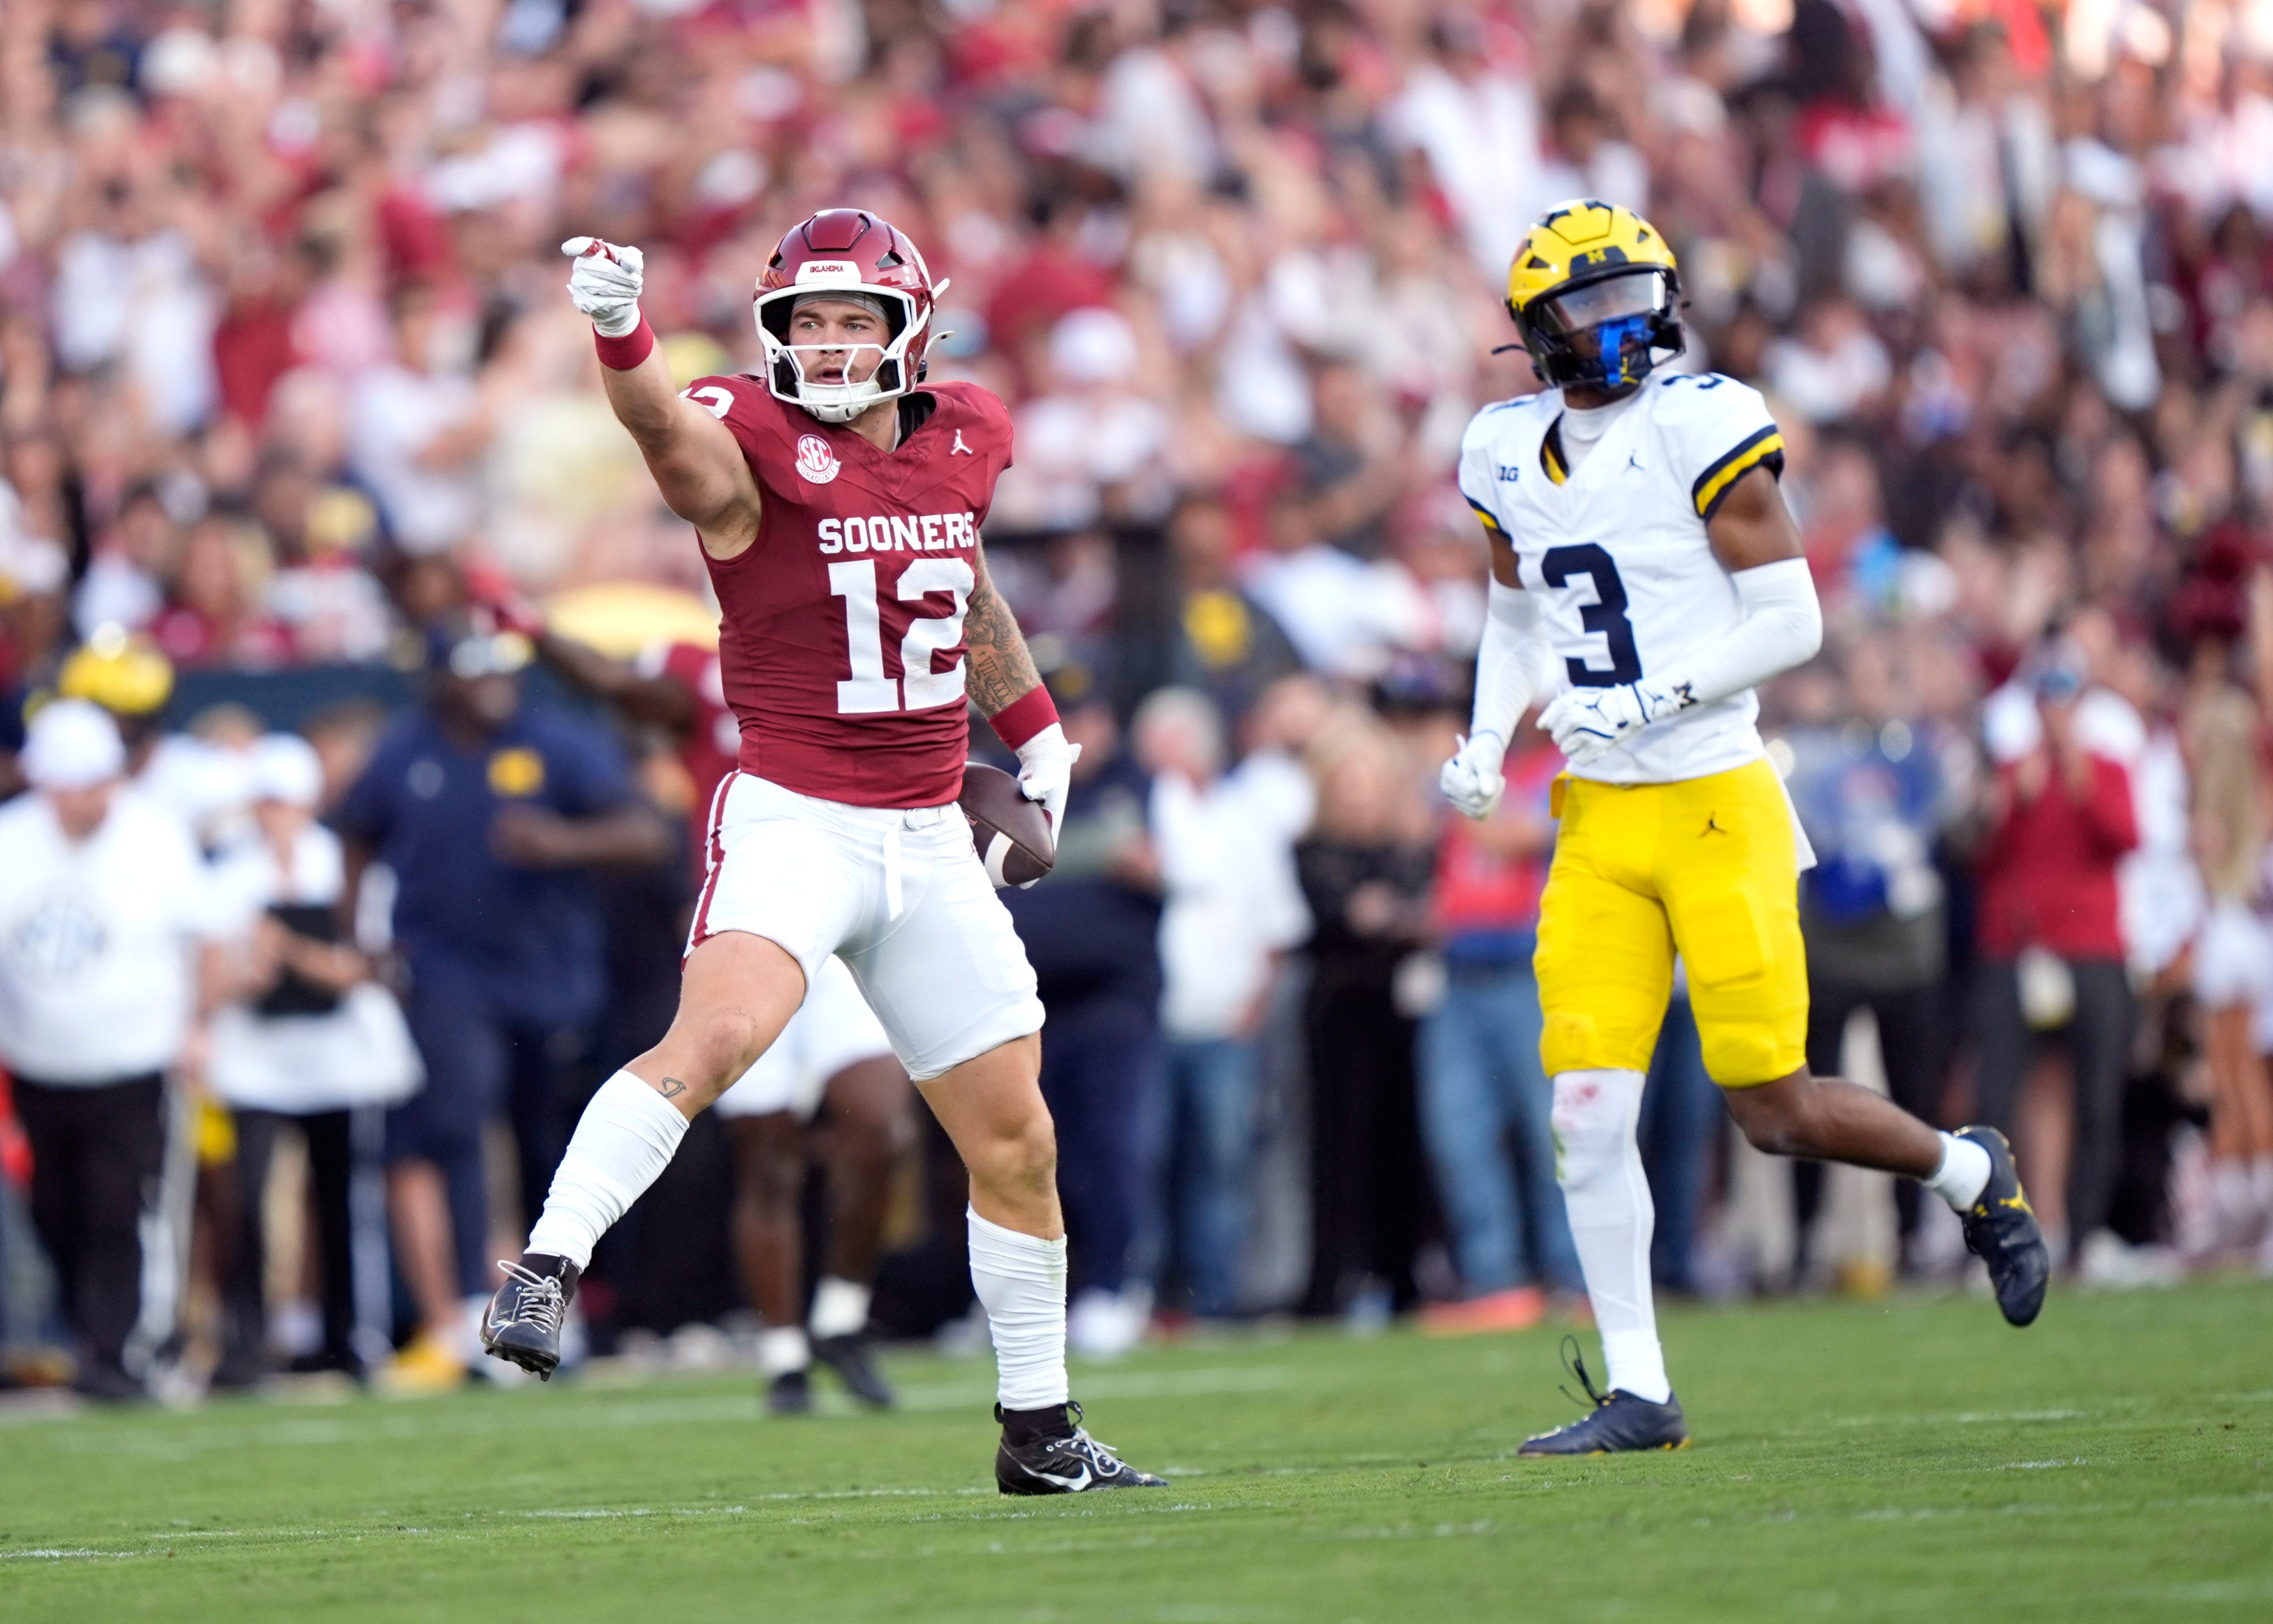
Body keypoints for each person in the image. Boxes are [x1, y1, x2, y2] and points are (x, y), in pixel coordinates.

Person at [482, 210, 1164, 1494]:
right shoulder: (750, 444)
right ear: (772, 335)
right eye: (809, 320)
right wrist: (621, 332)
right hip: (800, 816)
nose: (832, 342)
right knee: (720, 1038)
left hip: (927, 832)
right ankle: (549, 1264)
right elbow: (661, 435)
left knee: (1015, 1138)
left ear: (910, 328)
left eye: (856, 319)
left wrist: (1036, 729)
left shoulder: (965, 433)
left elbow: (953, 580)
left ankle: (1041, 1432)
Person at [1438, 201, 2049, 1454]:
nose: (1618, 325)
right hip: (1599, 818)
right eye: (1588, 307)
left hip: (1716, 797)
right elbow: (1514, 619)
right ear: (1535, 330)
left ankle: (1963, 1169)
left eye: (1631, 297)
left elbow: (1791, 618)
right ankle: (1639, 1388)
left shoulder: (1698, 423)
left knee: (1768, 1104)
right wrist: (1486, 736)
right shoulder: (1500, 449)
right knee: (1585, 1110)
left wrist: (1655, 693)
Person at [336, 619, 671, 1390]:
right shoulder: (405, 749)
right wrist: (361, 932)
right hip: (447, 968)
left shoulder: (555, 740)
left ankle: (550, 1301)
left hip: (550, 974)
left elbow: (644, 831)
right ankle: (462, 1305)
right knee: (457, 1118)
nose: (494, 685)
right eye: (475, 671)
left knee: (544, 1135)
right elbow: (356, 832)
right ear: (440, 679)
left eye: (502, 671)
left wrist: (563, 842)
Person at [0, 700, 229, 1398]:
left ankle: (112, 1352)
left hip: (132, 1058)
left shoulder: (155, 839)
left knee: (117, 1204)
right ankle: (89, 1335)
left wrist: (198, 1023)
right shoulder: (12, 839)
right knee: (54, 1207)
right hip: (37, 1060)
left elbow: (207, 938)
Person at [203, 733, 420, 1384]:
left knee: (341, 1202)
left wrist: (290, 951)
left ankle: (349, 1338)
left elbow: (362, 967)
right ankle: (244, 1345)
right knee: (244, 1204)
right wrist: (249, 970)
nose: (277, 818)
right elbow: (211, 979)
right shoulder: (226, 875)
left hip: (337, 1064)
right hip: (254, 1065)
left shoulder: (340, 867)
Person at [1132, 687, 1308, 1324]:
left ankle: (1213, 1298)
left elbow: (1277, 928)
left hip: (1226, 1020)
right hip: (1151, 1019)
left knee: (1222, 1163)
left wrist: (1254, 1007)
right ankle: (1142, 1295)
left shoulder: (1245, 816)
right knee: (1144, 1162)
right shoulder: (1140, 809)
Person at [1417, 715, 1582, 1333]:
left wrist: (1458, 799)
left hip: (1529, 970)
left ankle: (1574, 1275)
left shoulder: (1565, 768)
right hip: (1458, 970)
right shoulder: (1476, 770)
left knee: (1553, 1133)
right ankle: (1495, 1279)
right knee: (1457, 1132)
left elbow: (1515, 836)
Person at [712, 957, 908, 1413]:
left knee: (884, 1133)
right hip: (746, 957)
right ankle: (784, 1357)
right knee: (767, 1168)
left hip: (834, 951)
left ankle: (840, 1319)